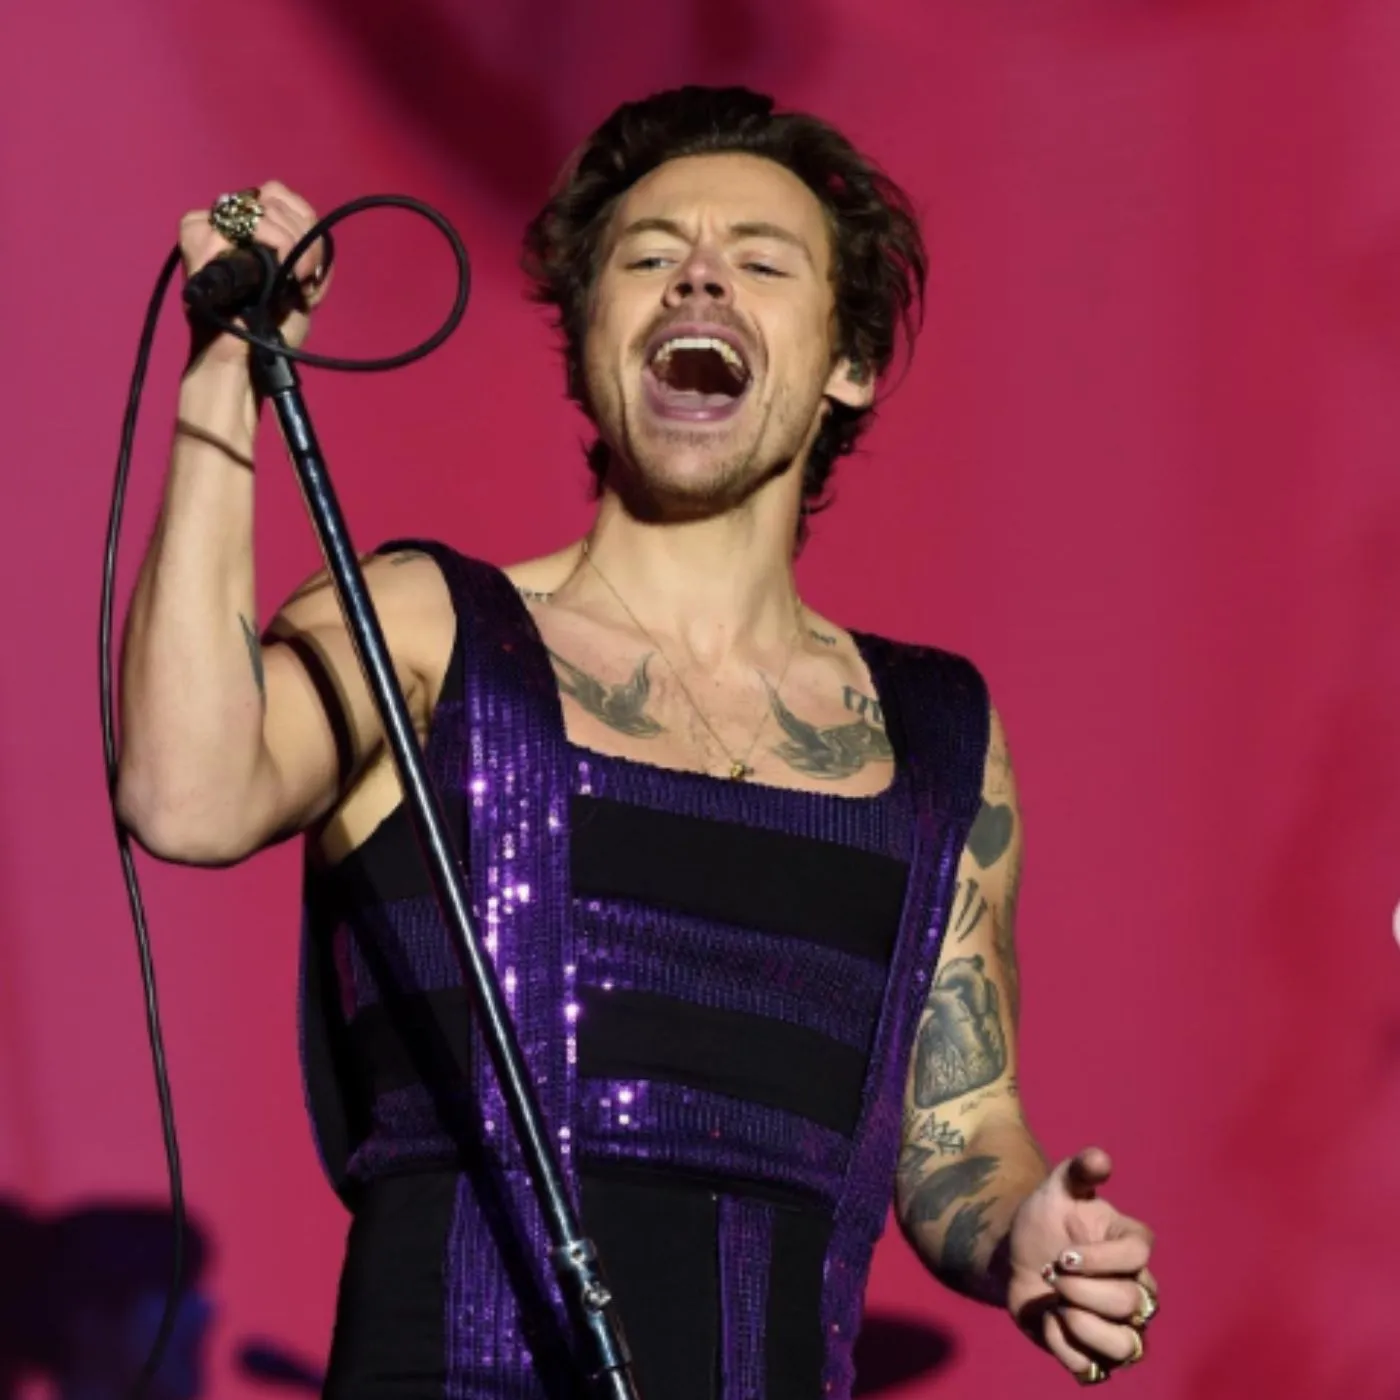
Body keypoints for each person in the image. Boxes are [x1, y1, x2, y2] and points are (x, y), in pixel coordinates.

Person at [116, 85, 1158, 1399]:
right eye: (650, 257)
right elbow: (187, 791)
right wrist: (229, 369)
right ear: (588, 344)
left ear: (848, 364)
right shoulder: (425, 625)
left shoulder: (935, 731)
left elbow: (958, 1124)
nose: (698, 280)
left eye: (760, 263)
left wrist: (1021, 1234)